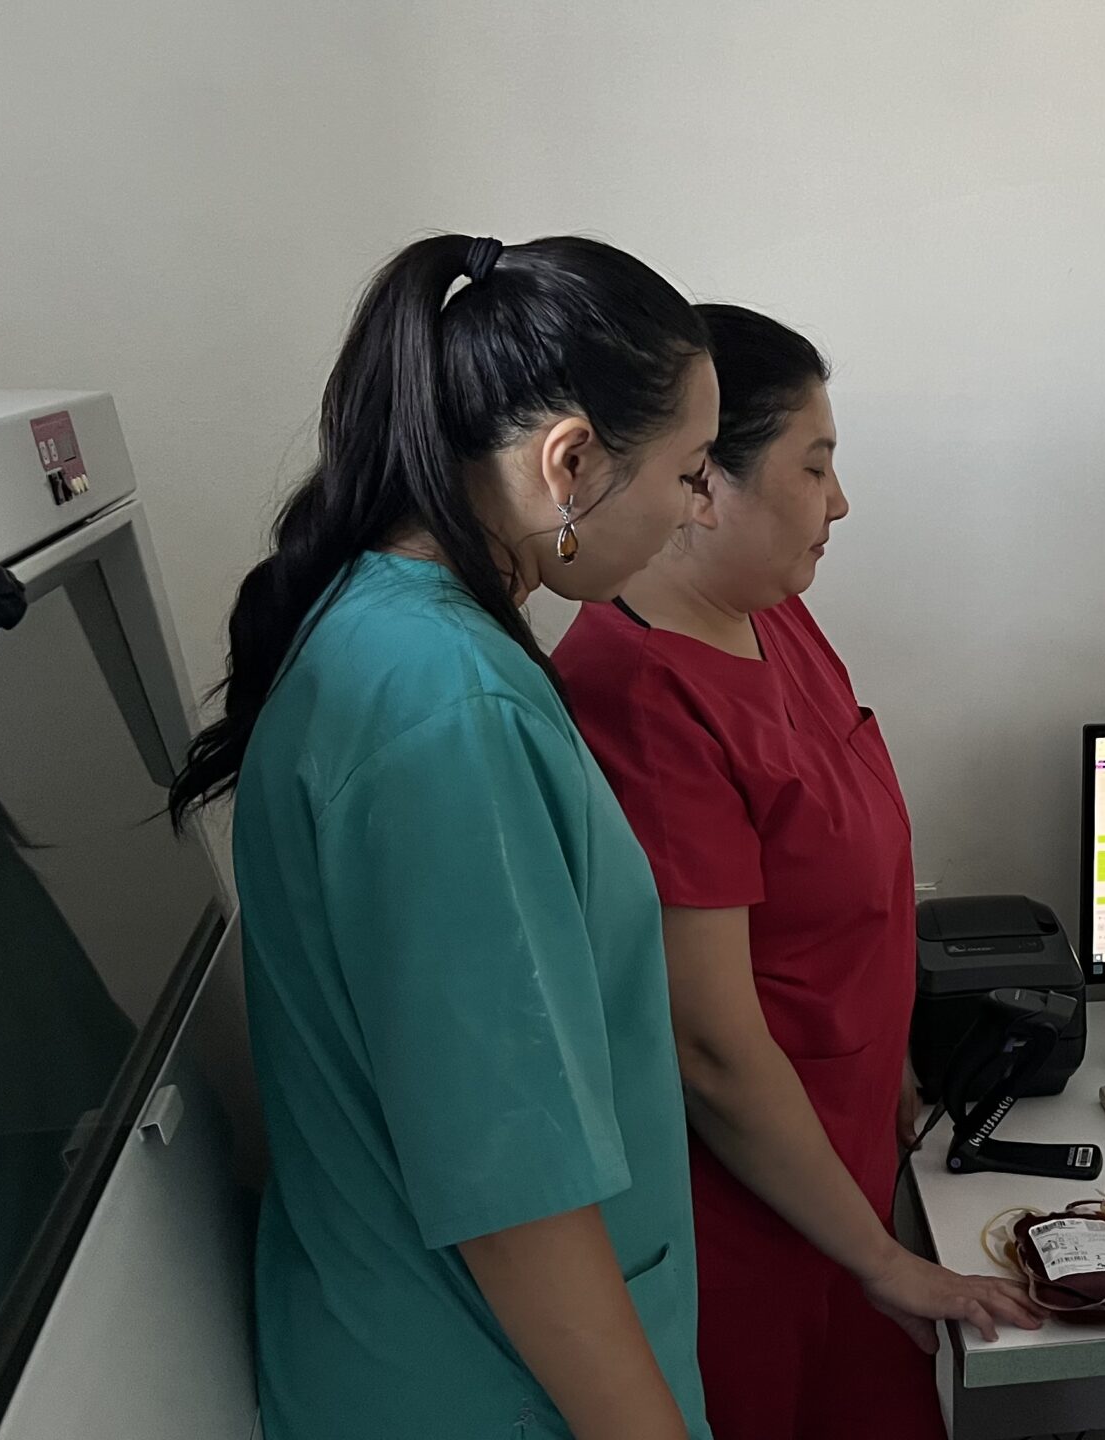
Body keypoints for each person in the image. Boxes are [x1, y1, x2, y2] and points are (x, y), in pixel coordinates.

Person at [168, 235, 720, 1440]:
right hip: (484, 1383)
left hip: (417, 1345)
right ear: (571, 461)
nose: (695, 511)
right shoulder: (446, 708)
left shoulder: (391, 628)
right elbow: (515, 1197)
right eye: (688, 475)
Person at [555, 303, 1041, 1439]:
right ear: (702, 483)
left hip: (851, 1168)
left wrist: (892, 1057)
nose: (840, 501)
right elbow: (712, 1049)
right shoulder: (642, 694)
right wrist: (883, 1259)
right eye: (813, 467)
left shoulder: (773, 615)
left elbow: (840, 890)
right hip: (746, 1216)